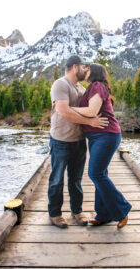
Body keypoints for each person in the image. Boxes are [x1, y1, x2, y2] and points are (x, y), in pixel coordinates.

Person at [48, 56, 109, 228]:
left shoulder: (81, 88)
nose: (86, 70)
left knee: (76, 179)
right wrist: (90, 122)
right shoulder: (60, 84)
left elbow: (91, 110)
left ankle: (77, 211)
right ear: (75, 67)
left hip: (79, 141)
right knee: (56, 179)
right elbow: (63, 111)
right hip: (60, 140)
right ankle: (55, 213)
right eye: (84, 67)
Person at [72, 63, 132, 228]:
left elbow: (92, 111)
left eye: (88, 69)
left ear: (95, 72)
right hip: (96, 136)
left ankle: (122, 209)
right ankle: (104, 214)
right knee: (100, 174)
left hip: (106, 135)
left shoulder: (98, 86)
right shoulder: (92, 87)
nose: (85, 71)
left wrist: (69, 109)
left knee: (96, 173)